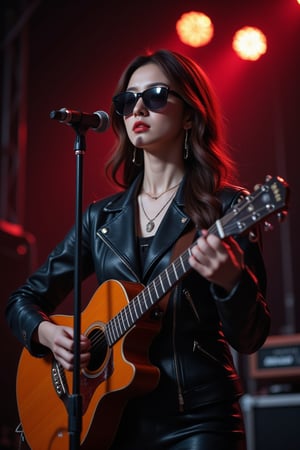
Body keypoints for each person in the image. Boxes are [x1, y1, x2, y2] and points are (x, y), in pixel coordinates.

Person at [6, 49, 270, 450]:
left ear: (189, 114)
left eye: (157, 95)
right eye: (127, 100)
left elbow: (250, 338)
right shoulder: (100, 218)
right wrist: (47, 334)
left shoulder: (226, 209)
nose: (138, 107)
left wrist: (231, 282)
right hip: (111, 421)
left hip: (197, 419)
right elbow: (22, 300)